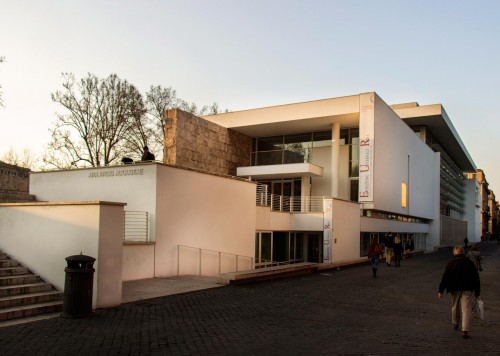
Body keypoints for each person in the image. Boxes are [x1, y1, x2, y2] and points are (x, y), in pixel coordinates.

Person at [438, 245, 481, 339]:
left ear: (454, 252)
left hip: (454, 288)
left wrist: (441, 290)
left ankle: (456, 322)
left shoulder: (450, 263)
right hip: (467, 288)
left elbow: (445, 277)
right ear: (463, 253)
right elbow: (476, 278)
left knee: (455, 306)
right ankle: (465, 329)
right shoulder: (470, 263)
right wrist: (477, 292)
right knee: (466, 309)